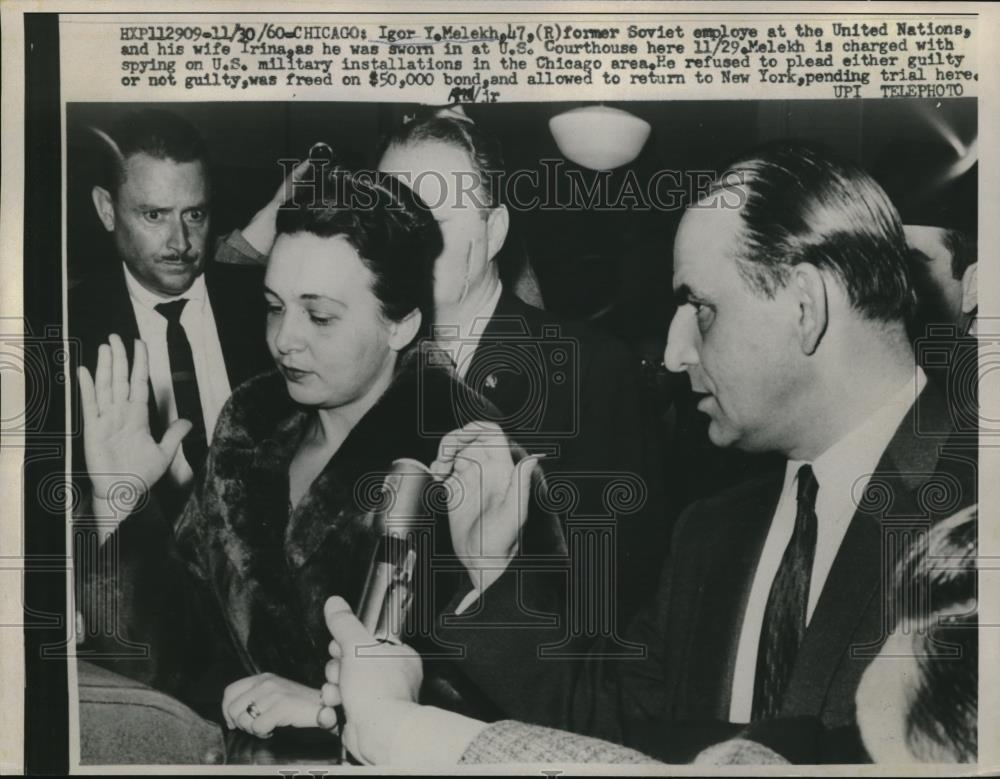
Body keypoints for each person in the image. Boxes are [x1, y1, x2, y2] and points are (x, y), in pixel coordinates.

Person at [319, 141, 976, 763]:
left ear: (805, 305)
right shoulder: (713, 534)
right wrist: (498, 566)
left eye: (701, 306)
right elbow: (615, 726)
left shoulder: (978, 516)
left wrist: (404, 728)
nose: (672, 353)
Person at [76, 170, 562, 730]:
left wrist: (341, 711)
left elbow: (534, 704)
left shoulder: (478, 460)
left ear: (401, 324)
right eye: (274, 306)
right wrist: (120, 501)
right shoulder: (249, 423)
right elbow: (174, 660)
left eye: (320, 316)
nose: (285, 339)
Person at [377, 109, 665, 624]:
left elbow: (610, 587)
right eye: (387, 223)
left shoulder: (585, 367)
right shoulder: (370, 361)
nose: (401, 246)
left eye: (431, 223)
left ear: (495, 233)